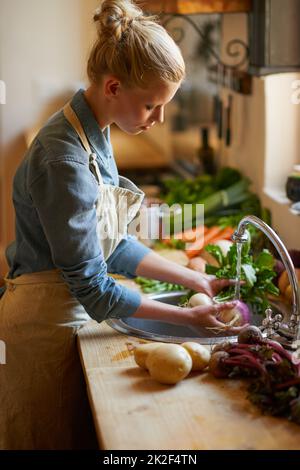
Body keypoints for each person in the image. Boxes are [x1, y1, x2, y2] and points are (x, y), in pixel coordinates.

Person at [0, 0, 239, 450]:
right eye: (152, 106)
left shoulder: (96, 128)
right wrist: (186, 316)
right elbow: (92, 286)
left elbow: (111, 247)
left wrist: (196, 277)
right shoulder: (64, 157)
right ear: (113, 86)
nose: (159, 119)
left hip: (68, 315)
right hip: (41, 328)